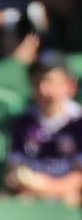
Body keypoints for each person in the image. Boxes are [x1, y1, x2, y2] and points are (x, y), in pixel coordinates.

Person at [5, 49, 82, 207]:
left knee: (71, 199)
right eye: (36, 81)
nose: (42, 89)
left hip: (65, 194)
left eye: (49, 81)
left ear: (69, 85)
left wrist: (48, 187)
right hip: (30, 193)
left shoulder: (78, 122)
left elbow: (79, 177)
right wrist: (21, 180)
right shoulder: (24, 122)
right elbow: (14, 169)